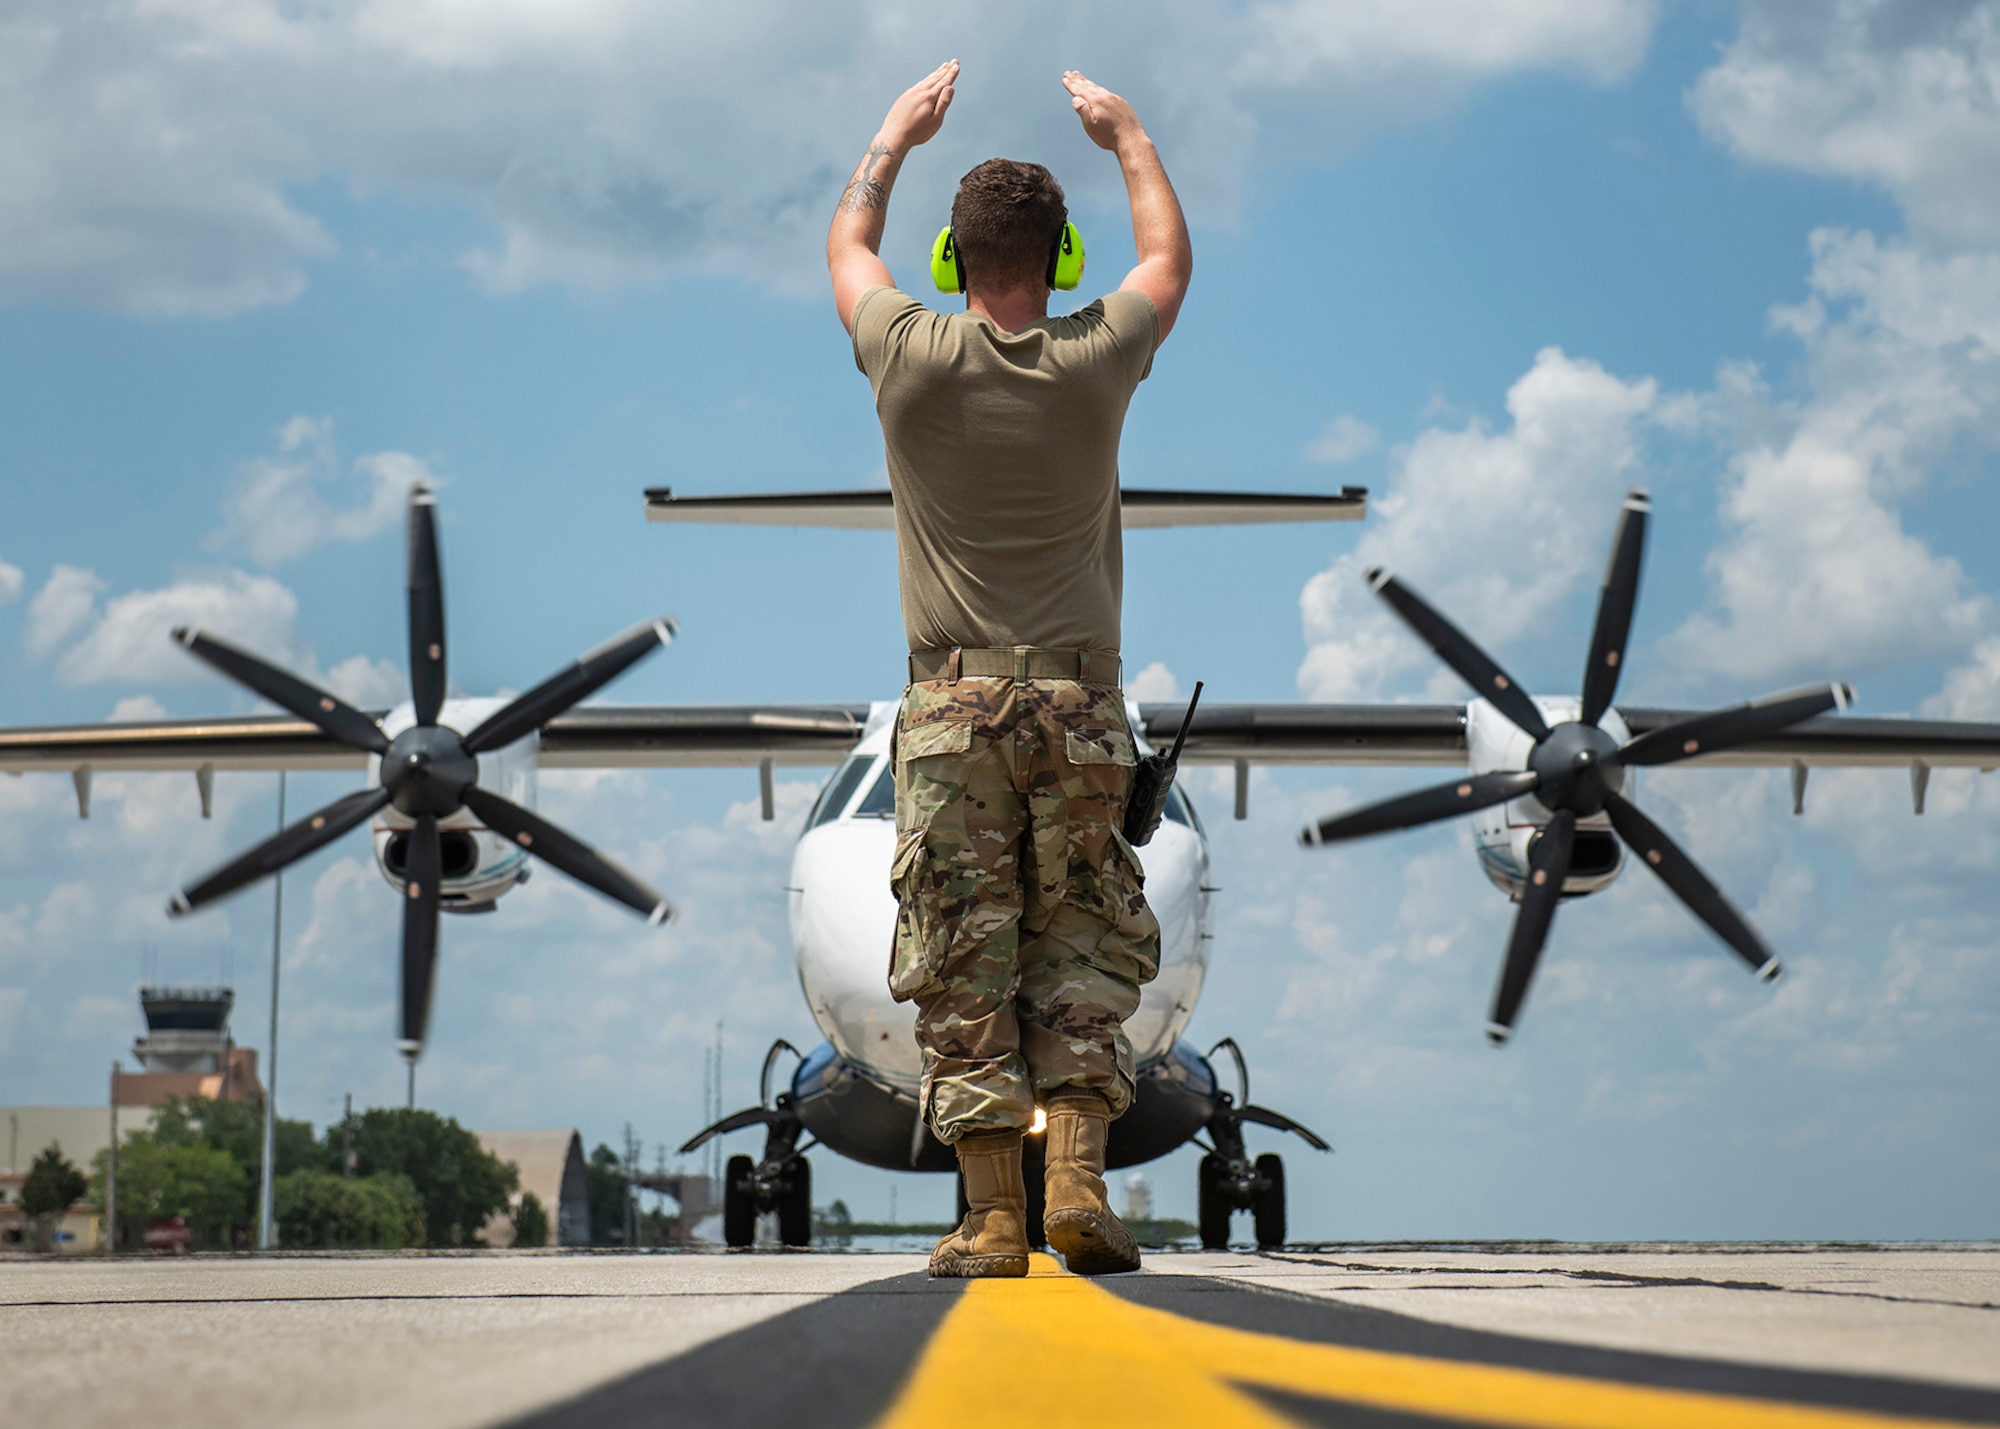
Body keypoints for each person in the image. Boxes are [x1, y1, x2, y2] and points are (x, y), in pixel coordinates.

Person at [827, 61, 1193, 1278]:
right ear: (1061, 258)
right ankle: (1078, 1187)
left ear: (951, 261)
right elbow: (1167, 264)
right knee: (1084, 940)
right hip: (1085, 706)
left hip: (949, 709)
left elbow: (846, 244)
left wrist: (894, 132)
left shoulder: (907, 356)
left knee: (957, 951)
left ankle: (990, 1216)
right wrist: (1127, 134)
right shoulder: (1097, 359)